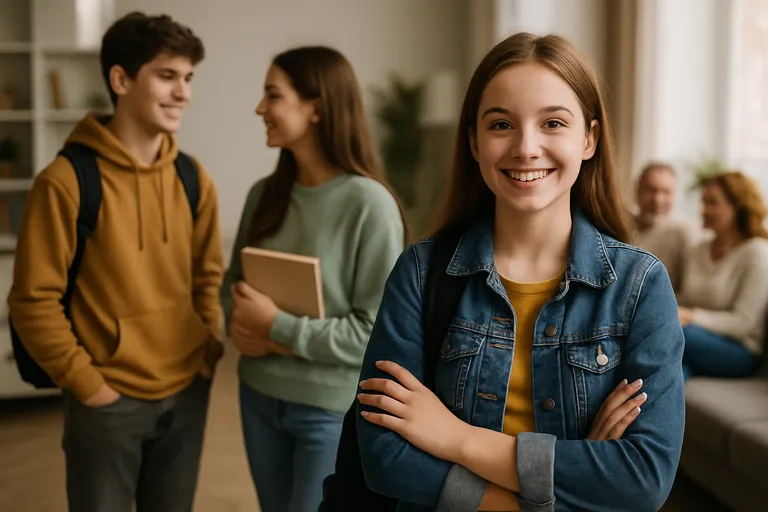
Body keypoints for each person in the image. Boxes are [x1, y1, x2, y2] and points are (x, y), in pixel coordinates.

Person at [355, 33, 685, 511]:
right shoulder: (421, 272)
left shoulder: (640, 286)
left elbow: (643, 479)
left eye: (553, 122)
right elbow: (385, 457)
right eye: (501, 124)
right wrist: (551, 491)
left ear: (589, 138)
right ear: (473, 140)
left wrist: (457, 439)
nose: (526, 147)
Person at [7, 12, 223, 512]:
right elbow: (32, 300)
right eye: (167, 76)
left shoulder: (193, 178)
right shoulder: (64, 182)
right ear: (121, 80)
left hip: (188, 387)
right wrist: (88, 384)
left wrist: (207, 350)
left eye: (188, 78)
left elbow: (207, 276)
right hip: (107, 399)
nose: (183, 93)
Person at [220, 46, 405, 512]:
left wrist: (275, 331)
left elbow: (373, 334)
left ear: (316, 107)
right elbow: (231, 287)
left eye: (272, 95)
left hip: (329, 410)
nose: (260, 109)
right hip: (258, 396)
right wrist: (237, 320)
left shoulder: (370, 205)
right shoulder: (263, 195)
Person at [677, 171, 768, 380]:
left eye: (712, 203)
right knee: (674, 369)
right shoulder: (699, 249)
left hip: (738, 350)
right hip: (695, 342)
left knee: (673, 332)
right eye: (703, 202)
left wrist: (691, 316)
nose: (703, 210)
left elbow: (744, 322)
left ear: (738, 207)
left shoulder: (757, 252)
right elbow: (687, 298)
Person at [633, 162, 692, 291]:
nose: (657, 200)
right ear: (637, 190)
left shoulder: (682, 236)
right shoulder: (617, 224)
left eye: (666, 192)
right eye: (651, 190)